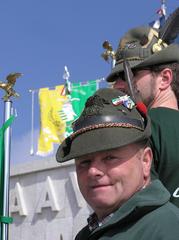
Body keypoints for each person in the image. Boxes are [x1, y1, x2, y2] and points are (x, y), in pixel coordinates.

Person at [56, 88, 179, 240]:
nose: (93, 171)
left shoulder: (167, 229)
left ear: (146, 161)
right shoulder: (86, 235)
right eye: (85, 161)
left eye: (109, 157)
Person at [105, 25, 179, 207]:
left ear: (164, 78)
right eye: (117, 78)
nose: (119, 85)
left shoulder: (140, 130)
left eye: (130, 75)